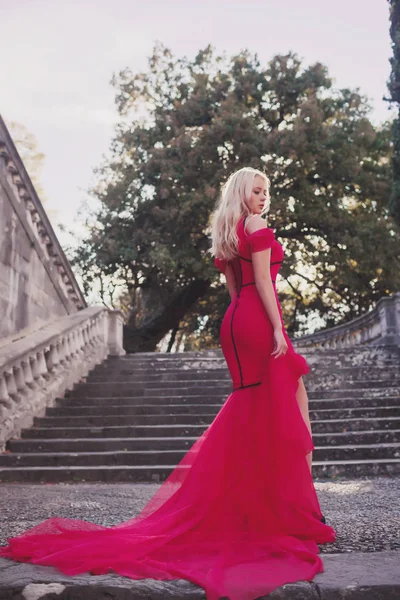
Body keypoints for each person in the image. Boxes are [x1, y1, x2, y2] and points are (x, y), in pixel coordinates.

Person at [0, 166, 336, 600]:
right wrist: (276, 330)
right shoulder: (254, 226)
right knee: (288, 401)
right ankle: (299, 511)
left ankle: (279, 507)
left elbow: (235, 292)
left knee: (261, 406)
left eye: (266, 192)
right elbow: (264, 290)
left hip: (236, 323)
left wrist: (250, 325)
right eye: (257, 190)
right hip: (258, 319)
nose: (263, 198)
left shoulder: (229, 229)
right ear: (242, 193)